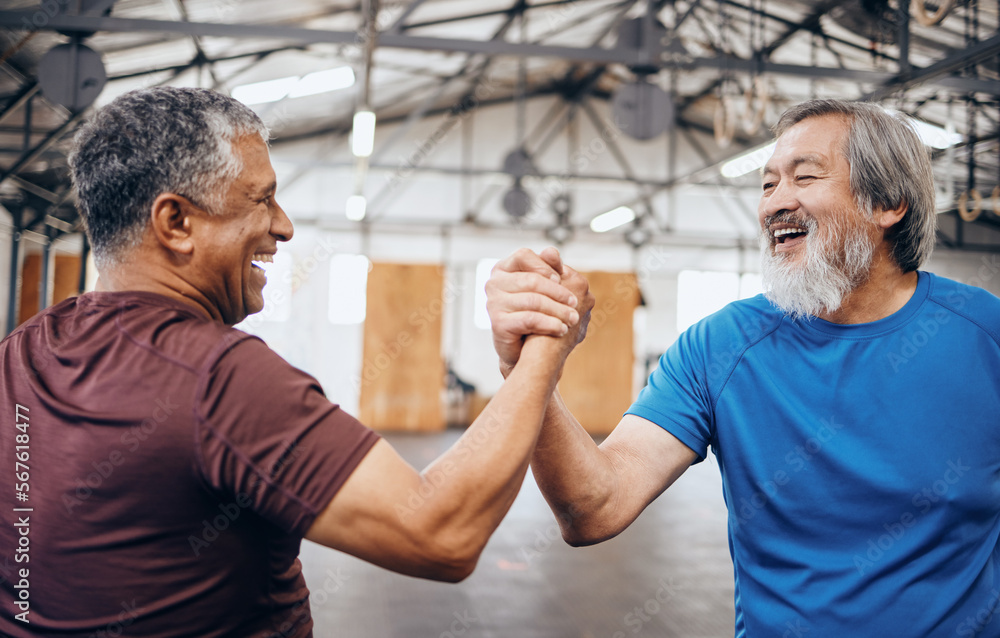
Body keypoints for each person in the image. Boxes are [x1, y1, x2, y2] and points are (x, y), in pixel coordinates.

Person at [0, 86, 592, 637]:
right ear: (176, 223)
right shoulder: (217, 377)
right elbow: (439, 533)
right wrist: (544, 346)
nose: (282, 226)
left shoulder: (18, 355)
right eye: (261, 200)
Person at [486, 99, 1000, 636]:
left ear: (888, 202)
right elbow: (594, 508)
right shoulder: (720, 346)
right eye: (767, 184)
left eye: (805, 177)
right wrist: (529, 368)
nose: (776, 203)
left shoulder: (986, 336)